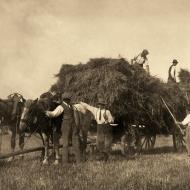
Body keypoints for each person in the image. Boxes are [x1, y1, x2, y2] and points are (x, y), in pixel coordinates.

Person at [45, 92, 82, 164]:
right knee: (66, 144)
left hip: (72, 125)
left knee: (76, 142)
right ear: (65, 99)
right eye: (68, 99)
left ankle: (78, 161)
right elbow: (54, 114)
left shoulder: (70, 106)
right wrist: (47, 113)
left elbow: (54, 114)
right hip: (65, 125)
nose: (69, 100)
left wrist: (47, 112)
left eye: (69, 99)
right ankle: (65, 162)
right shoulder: (61, 106)